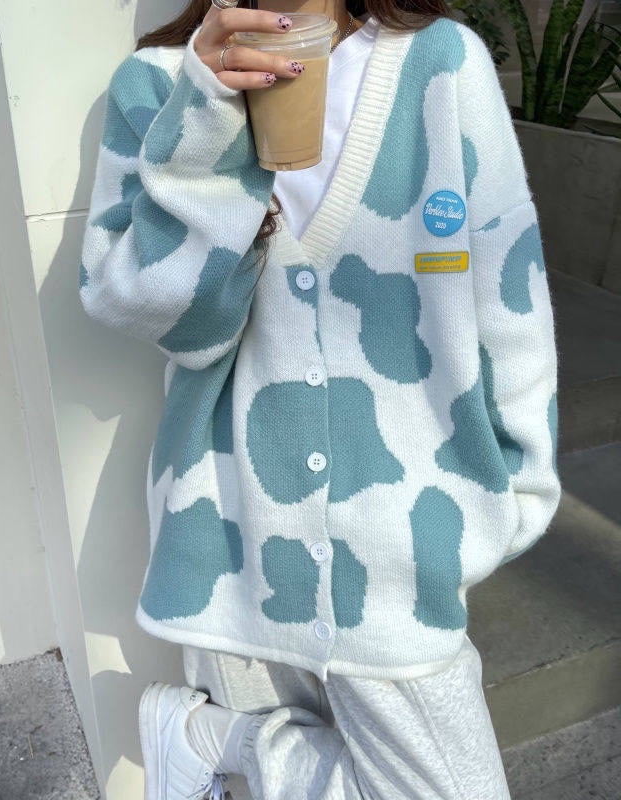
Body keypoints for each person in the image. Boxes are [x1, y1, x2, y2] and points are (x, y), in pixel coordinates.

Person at [79, 0, 562, 797]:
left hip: (403, 548)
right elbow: (157, 314)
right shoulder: (160, 83)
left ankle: (213, 739)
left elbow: (508, 287)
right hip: (230, 542)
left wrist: (520, 486)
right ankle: (215, 735)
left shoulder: (441, 63)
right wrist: (207, 114)